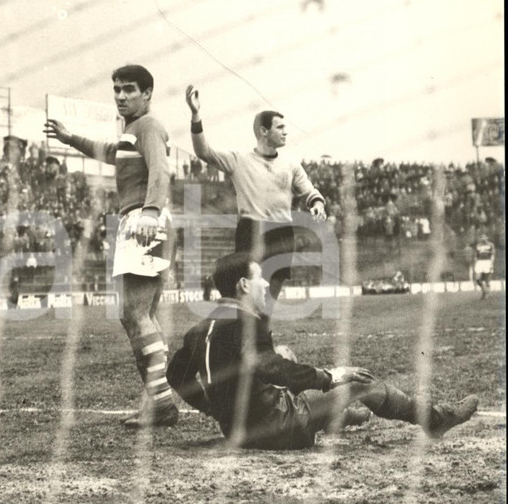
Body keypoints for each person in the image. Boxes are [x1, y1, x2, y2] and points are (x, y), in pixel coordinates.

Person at [165, 252, 479, 450]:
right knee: (362, 384)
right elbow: (266, 366)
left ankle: (340, 417)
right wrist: (330, 376)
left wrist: (212, 408)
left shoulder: (199, 329)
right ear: (245, 286)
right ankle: (436, 419)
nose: (265, 286)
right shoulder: (247, 324)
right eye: (260, 279)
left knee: (285, 357)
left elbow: (176, 376)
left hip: (236, 431)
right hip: (276, 431)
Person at [44, 64, 179, 429]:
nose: (121, 95)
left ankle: (163, 403)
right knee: (138, 315)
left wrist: (150, 213)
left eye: (129, 89)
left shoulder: (148, 126)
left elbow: (160, 171)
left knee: (134, 314)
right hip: (139, 220)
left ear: (147, 93)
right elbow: (107, 151)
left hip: (143, 220)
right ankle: (160, 397)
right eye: (117, 89)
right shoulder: (130, 132)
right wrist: (70, 138)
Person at [185, 85, 326, 307]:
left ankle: (263, 335)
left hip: (281, 232)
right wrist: (196, 115)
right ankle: (244, 332)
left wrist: (317, 203)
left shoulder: (290, 164)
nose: (285, 132)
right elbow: (204, 152)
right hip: (251, 230)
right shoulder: (239, 159)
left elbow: (309, 190)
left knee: (270, 297)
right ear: (263, 131)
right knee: (248, 292)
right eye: (279, 127)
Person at [472, 234, 496, 299]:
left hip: (487, 262)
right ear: (480, 238)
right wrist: (475, 264)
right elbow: (476, 256)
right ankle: (484, 289)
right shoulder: (478, 245)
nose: (483, 238)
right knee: (477, 279)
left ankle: (486, 294)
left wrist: (491, 264)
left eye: (484, 237)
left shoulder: (491, 245)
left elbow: (492, 255)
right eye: (481, 237)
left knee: (487, 279)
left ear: (487, 237)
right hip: (479, 262)